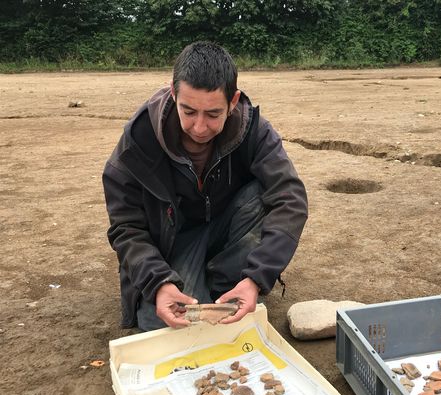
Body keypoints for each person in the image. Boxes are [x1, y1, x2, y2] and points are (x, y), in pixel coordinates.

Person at [102, 41, 308, 331]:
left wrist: (255, 279)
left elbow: (291, 200)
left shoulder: (254, 131)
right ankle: (192, 285)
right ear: (174, 94)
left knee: (263, 194)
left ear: (233, 101)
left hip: (226, 231)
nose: (199, 128)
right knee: (158, 323)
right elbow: (126, 228)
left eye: (213, 114)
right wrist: (159, 282)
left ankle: (232, 284)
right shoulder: (138, 142)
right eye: (188, 111)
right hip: (172, 245)